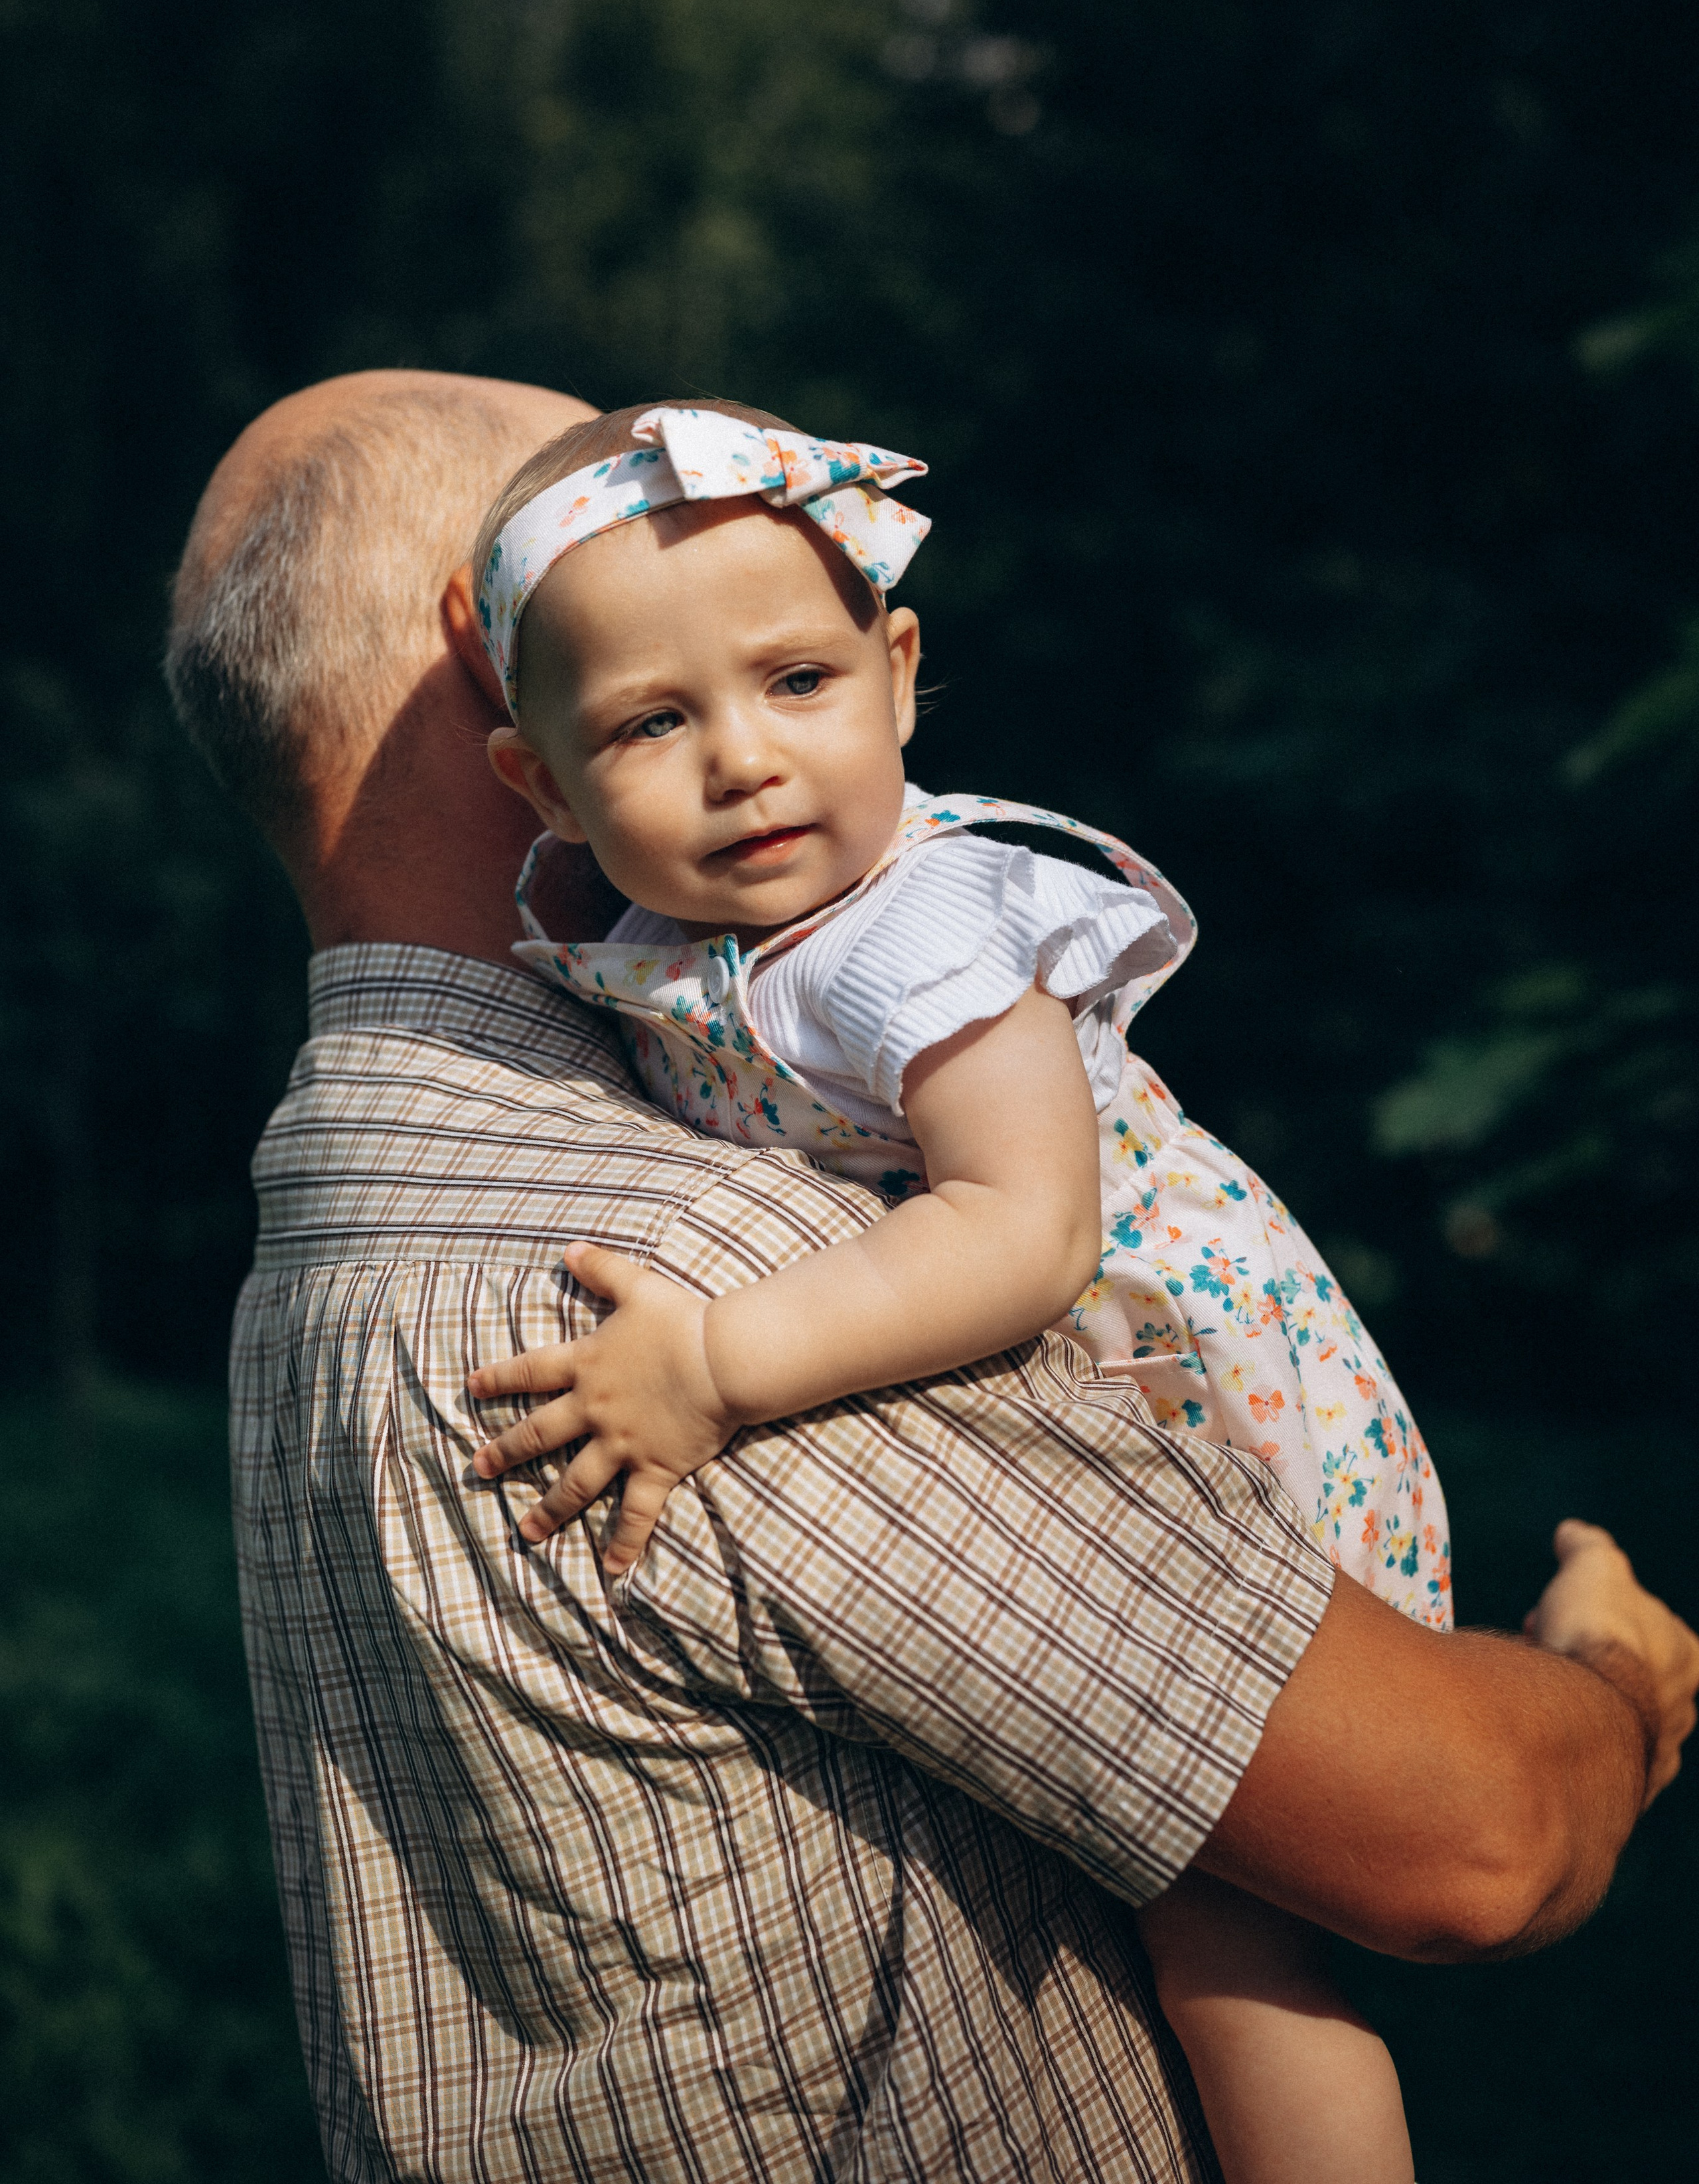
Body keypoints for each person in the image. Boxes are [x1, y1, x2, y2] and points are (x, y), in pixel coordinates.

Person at [167, 367, 1699, 2184]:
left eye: (795, 670)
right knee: (1249, 1945)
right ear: (502, 680)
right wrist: (1605, 1681)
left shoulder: (320, 1239)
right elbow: (1472, 1836)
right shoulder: (702, 1265)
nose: (744, 748)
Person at [457, 393, 1430, 2182]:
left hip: (1203, 1405)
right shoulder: (676, 945)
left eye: (798, 684)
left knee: (1236, 1935)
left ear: (899, 671)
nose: (744, 759)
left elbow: (1022, 1229)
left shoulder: (928, 927)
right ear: (540, 777)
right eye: (652, 722)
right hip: (1078, 1427)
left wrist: (720, 1362)